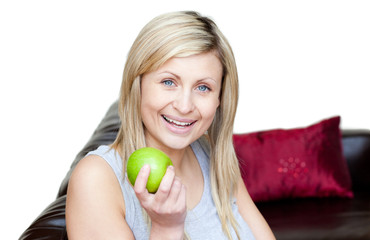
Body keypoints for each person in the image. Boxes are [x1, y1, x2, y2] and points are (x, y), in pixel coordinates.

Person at [66, 11, 275, 240]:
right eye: (168, 82)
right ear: (138, 85)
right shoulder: (96, 179)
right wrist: (167, 228)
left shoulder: (213, 154)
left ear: (220, 99)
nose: (185, 106)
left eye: (203, 87)